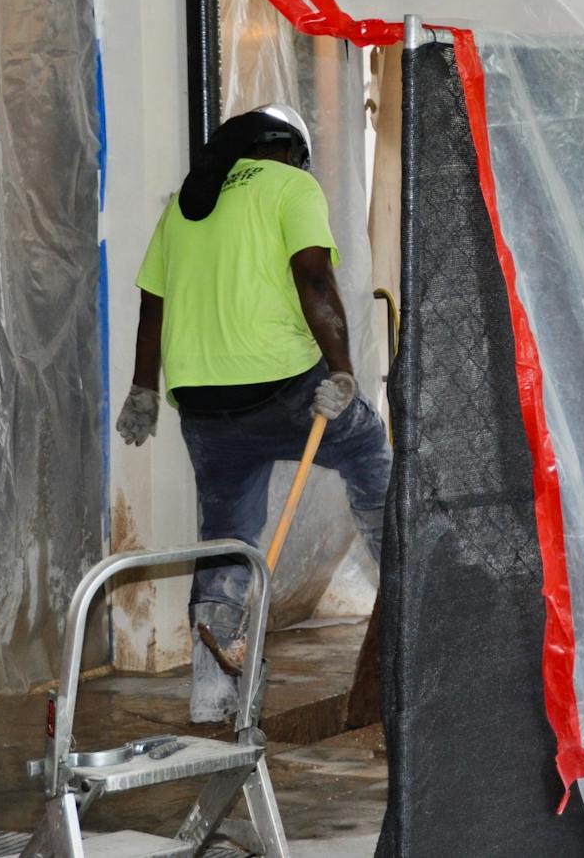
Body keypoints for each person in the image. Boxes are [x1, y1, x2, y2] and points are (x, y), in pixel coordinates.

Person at [115, 104, 391, 723]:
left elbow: (151, 303)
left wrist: (143, 389)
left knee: (227, 539)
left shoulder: (187, 203)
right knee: (368, 452)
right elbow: (314, 281)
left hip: (204, 403)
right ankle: (405, 573)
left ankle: (212, 698)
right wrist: (342, 370)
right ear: (291, 150)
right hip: (286, 384)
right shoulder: (293, 187)